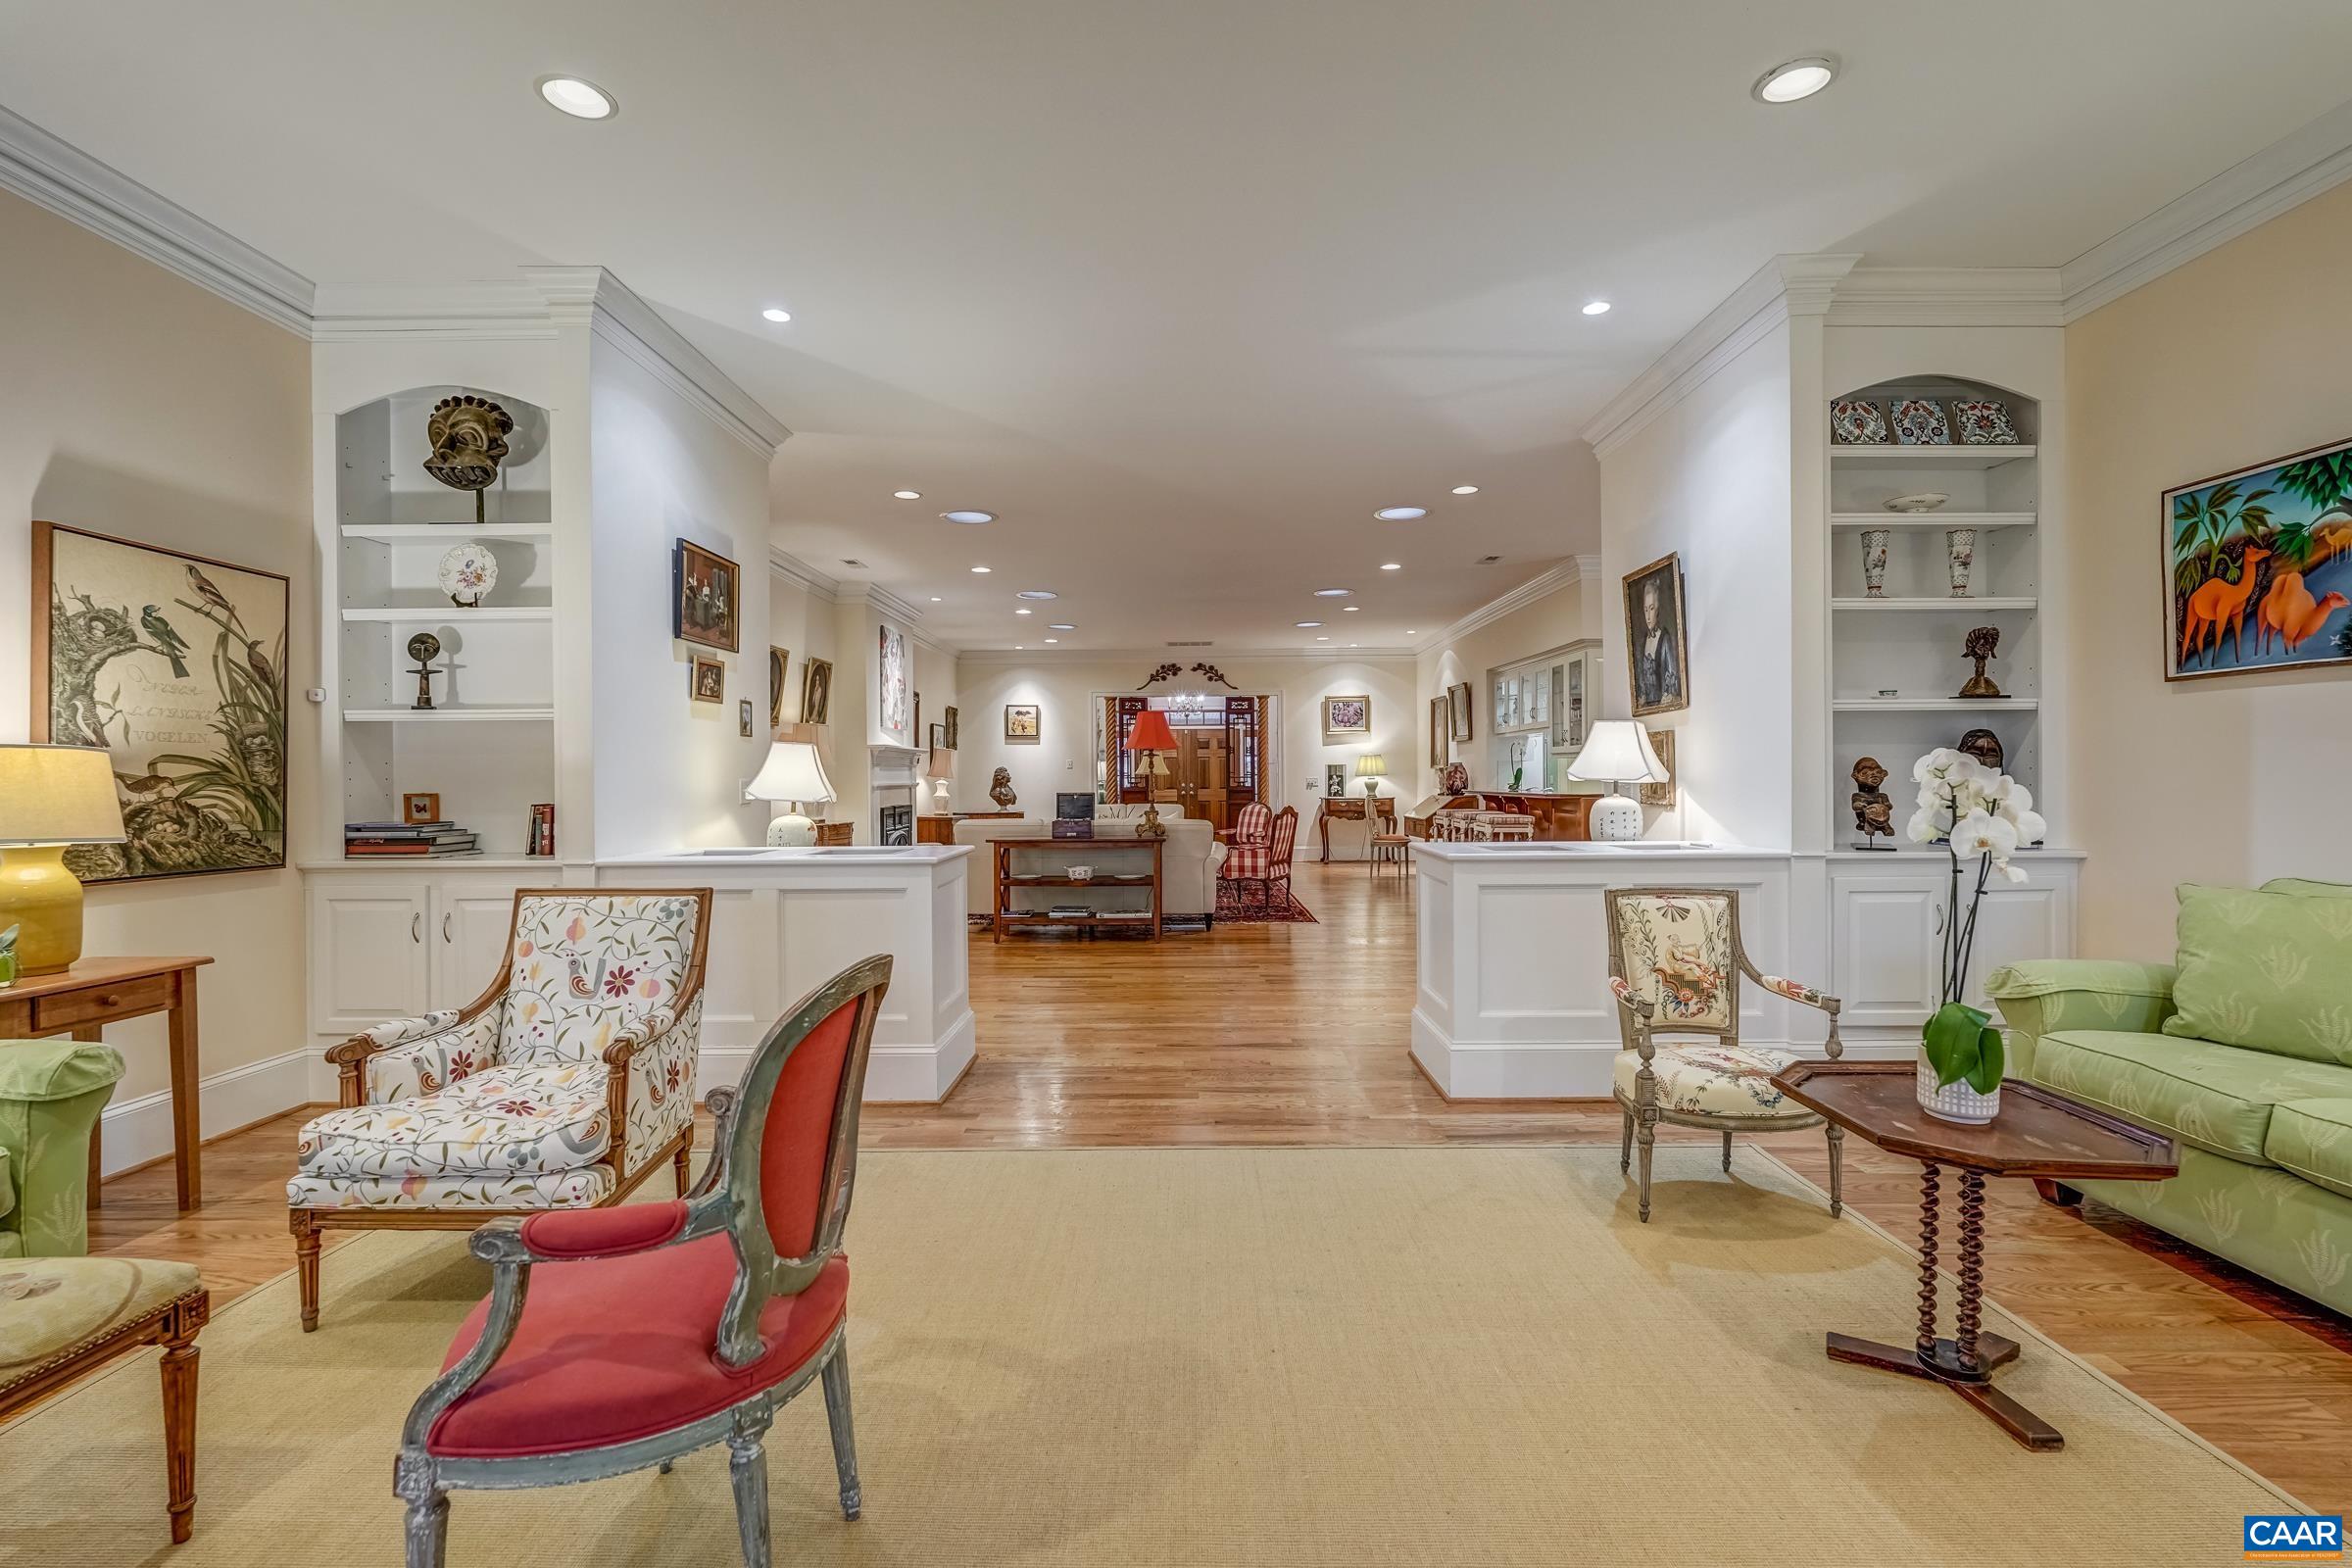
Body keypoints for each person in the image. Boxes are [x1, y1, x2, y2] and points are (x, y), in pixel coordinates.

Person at [1633, 576, 1681, 710]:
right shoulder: (1642, 642)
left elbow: (1672, 677)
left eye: (1652, 609)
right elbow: (1640, 680)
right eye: (1645, 609)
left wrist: (1668, 696)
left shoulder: (1664, 639)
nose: (1648, 616)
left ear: (1658, 609)